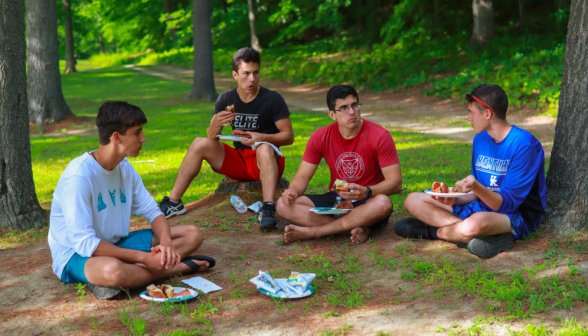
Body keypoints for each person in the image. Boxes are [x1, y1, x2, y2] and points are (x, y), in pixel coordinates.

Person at [48, 101, 215, 300]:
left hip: (117, 243)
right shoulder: (79, 177)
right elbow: (86, 244)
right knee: (113, 271)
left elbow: (153, 212)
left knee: (192, 234)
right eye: (137, 133)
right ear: (117, 137)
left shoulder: (124, 167)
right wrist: (145, 258)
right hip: (76, 254)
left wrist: (167, 243)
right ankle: (175, 268)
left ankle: (134, 273)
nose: (143, 138)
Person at [394, 84, 546, 258]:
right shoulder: (480, 139)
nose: (468, 118)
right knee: (413, 200)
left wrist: (475, 186)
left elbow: (507, 204)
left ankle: (432, 231)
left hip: (516, 215)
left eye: (471, 112)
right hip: (482, 207)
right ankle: (489, 238)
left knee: (475, 223)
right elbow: (477, 192)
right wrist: (453, 198)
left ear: (488, 113)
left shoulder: (524, 145)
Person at [159, 47, 294, 230]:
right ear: (235, 75)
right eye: (246, 73)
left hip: (267, 160)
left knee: (264, 147)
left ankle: (268, 208)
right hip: (239, 160)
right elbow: (212, 137)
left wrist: (261, 137)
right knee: (199, 142)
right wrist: (215, 122)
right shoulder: (226, 99)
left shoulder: (272, 98)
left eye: (256, 73)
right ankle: (174, 202)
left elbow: (288, 136)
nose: (252, 79)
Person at [277, 85, 402, 244]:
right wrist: (292, 192)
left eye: (354, 105)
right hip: (338, 199)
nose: (351, 112)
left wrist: (366, 191)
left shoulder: (380, 136)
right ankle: (359, 227)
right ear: (332, 114)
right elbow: (302, 176)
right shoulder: (320, 136)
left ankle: (314, 232)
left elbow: (396, 183)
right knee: (282, 205)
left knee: (383, 203)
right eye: (343, 108)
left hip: (369, 199)